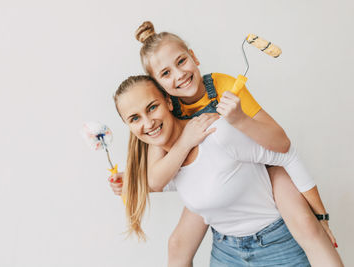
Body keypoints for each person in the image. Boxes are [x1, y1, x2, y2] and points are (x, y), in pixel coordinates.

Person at [109, 21, 343, 266]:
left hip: (261, 164)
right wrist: (134, 180)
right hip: (227, 219)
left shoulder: (223, 89)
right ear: (161, 88)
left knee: (305, 223)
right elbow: (174, 176)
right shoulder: (162, 122)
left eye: (181, 62)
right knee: (177, 244)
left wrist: (239, 119)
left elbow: (282, 145)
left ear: (194, 58)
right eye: (166, 73)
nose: (179, 76)